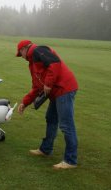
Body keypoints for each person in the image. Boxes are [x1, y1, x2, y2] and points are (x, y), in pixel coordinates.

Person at [16, 40, 78, 169]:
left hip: (64, 89)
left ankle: (70, 160)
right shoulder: (32, 63)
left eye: (20, 53)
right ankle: (46, 149)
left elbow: (55, 63)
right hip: (56, 93)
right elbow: (36, 87)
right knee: (51, 118)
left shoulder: (39, 50)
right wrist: (24, 102)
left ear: (24, 49)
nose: (21, 56)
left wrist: (48, 84)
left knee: (66, 125)